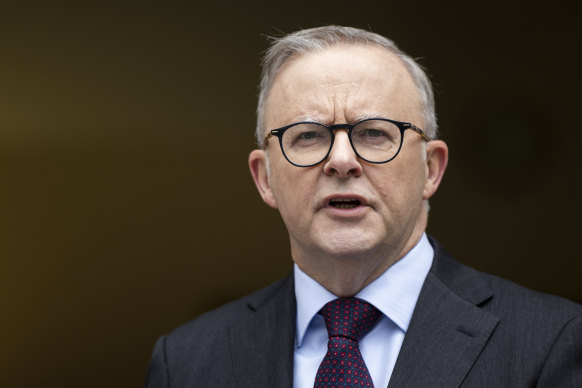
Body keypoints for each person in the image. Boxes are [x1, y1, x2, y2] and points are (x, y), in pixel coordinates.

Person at [145, 26, 582, 387]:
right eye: (308, 136)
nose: (341, 161)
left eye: (374, 133)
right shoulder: (186, 362)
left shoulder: (553, 341)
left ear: (431, 168)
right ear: (264, 178)